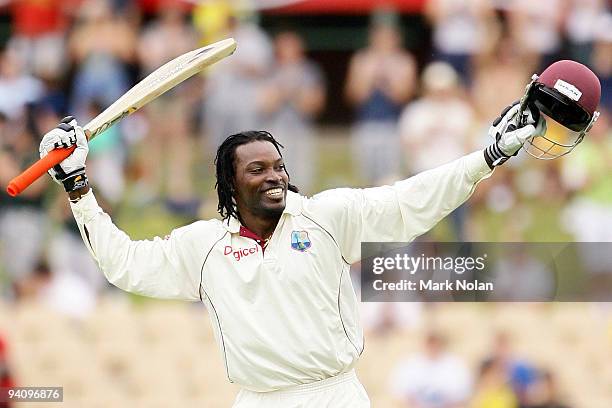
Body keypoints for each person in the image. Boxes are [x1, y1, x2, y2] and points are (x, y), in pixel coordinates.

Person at [38, 96, 545, 406]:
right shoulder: (203, 246)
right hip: (259, 401)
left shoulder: (327, 216)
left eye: (277, 165)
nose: (275, 176)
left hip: (335, 396)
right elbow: (124, 266)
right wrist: (78, 185)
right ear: (229, 184)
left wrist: (487, 157)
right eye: (257, 169)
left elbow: (409, 201)